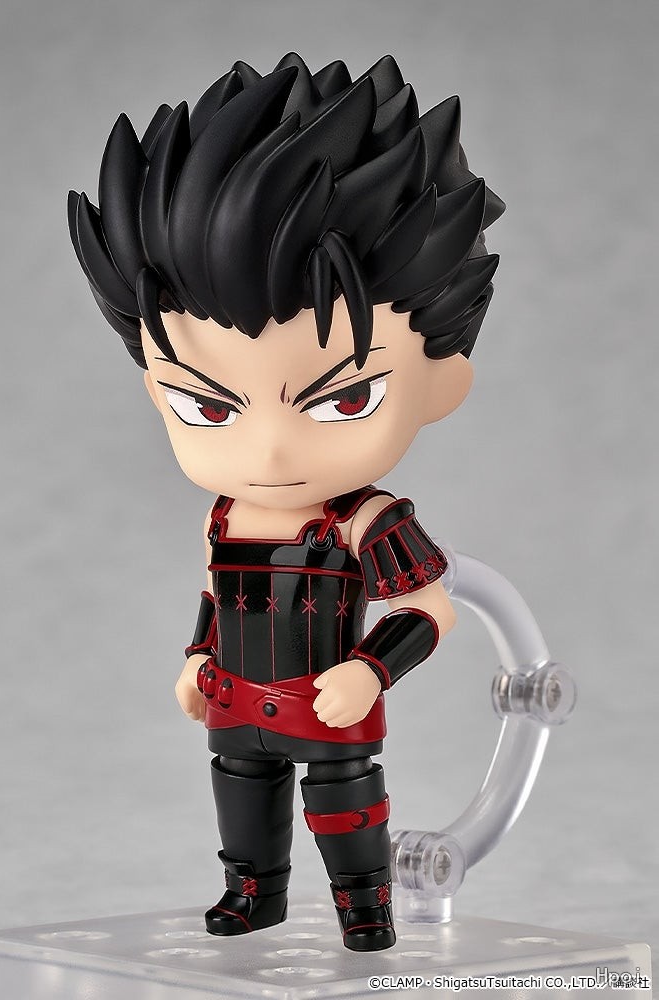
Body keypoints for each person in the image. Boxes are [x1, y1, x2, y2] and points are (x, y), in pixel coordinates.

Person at [68, 52, 504, 951]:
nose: (269, 449)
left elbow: (429, 608)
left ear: (441, 381)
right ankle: (252, 891)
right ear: (158, 394)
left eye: (343, 399)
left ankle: (364, 904)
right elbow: (218, 593)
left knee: (344, 805)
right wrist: (197, 655)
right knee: (242, 797)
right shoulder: (226, 518)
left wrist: (369, 670)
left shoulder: (366, 520)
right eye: (207, 405)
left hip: (326, 698)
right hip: (237, 698)